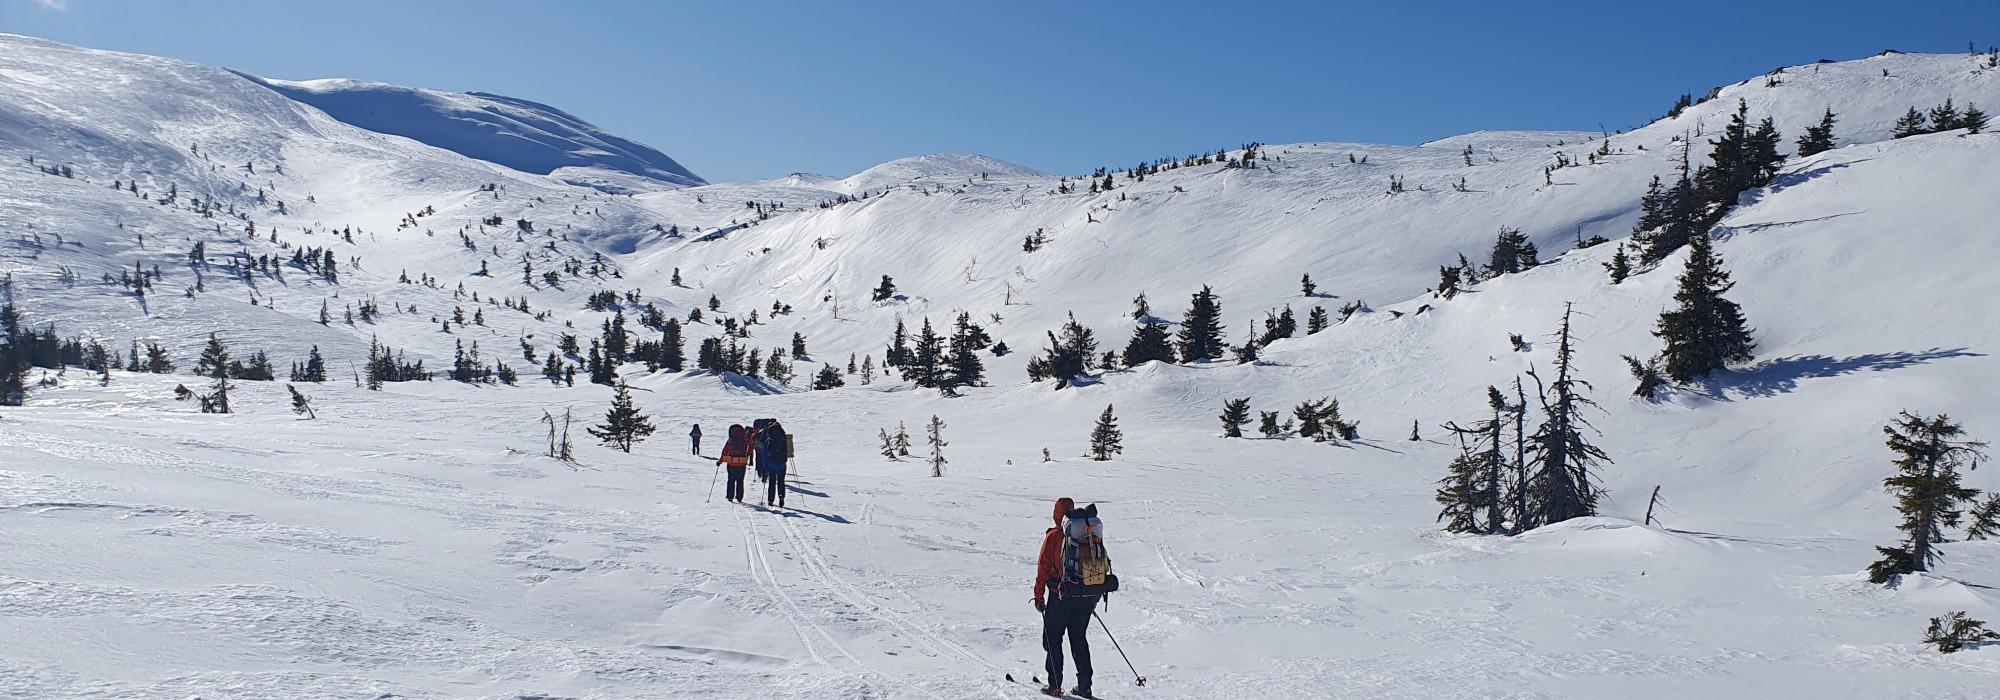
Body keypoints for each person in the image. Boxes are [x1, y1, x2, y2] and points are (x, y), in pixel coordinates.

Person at [1034, 497, 1095, 698]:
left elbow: (1043, 567)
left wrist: (1038, 595)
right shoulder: (1087, 533)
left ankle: (1055, 686)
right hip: (1085, 596)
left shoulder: (1054, 537)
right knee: (1078, 638)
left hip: (1060, 596)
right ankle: (1085, 687)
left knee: (1052, 639)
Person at [758, 420, 790, 508]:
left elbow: (764, 454)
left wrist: (765, 465)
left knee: (772, 482)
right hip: (782, 464)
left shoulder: (769, 440)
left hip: (772, 464)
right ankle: (781, 496)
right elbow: (789, 451)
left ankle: (770, 500)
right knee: (781, 481)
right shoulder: (783, 438)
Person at [718, 424, 750, 503]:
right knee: (740, 481)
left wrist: (720, 462)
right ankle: (739, 497)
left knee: (731, 480)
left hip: (731, 463)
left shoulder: (730, 440)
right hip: (742, 463)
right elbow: (749, 450)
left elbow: (724, 452)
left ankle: (730, 496)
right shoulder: (744, 440)